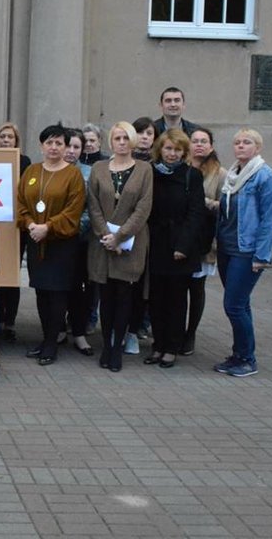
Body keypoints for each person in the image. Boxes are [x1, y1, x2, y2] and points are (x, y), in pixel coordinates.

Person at [214, 128, 272, 378]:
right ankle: (240, 353)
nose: (241, 146)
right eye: (237, 142)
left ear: (258, 147)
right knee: (241, 304)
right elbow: (230, 209)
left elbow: (269, 219)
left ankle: (247, 359)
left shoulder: (264, 176)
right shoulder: (233, 174)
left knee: (233, 305)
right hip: (227, 247)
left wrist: (261, 256)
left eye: (247, 142)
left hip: (247, 250)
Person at [16, 123, 86, 365]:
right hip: (36, 241)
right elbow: (20, 202)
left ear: (66, 147)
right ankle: (45, 337)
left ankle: (51, 344)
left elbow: (73, 210)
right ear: (41, 145)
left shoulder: (73, 174)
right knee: (41, 293)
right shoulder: (32, 171)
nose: (54, 147)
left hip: (61, 244)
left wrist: (48, 227)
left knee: (56, 294)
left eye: (59, 143)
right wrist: (30, 225)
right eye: (49, 143)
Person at [86, 122, 153, 372]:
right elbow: (92, 204)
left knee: (124, 297)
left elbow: (144, 207)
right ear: (110, 142)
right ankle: (106, 344)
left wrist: (121, 236)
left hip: (131, 243)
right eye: (117, 138)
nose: (122, 142)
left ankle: (117, 348)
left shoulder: (144, 169)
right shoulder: (99, 168)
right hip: (102, 243)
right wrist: (107, 235)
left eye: (126, 138)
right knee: (106, 297)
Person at [144, 129, 205, 369]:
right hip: (156, 243)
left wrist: (183, 245)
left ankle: (171, 347)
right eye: (168, 148)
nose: (172, 154)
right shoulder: (151, 173)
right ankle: (158, 344)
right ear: (161, 149)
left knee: (176, 299)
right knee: (156, 298)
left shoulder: (192, 175)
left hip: (180, 246)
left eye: (177, 149)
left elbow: (196, 214)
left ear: (184, 152)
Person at [185, 127, 227, 356]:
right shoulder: (181, 168)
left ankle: (190, 333)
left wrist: (203, 202)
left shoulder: (220, 174)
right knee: (177, 289)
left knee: (196, 288)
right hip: (181, 238)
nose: (199, 144)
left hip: (204, 240)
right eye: (195, 141)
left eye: (204, 141)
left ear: (211, 146)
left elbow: (225, 206)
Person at [0, 122, 31, 342]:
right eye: (2, 137)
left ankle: (10, 321)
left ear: (17, 141)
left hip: (16, 228)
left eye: (10, 137)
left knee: (11, 275)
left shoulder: (24, 162)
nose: (6, 140)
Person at [61, 127, 95, 357]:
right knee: (58, 287)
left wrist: (73, 228)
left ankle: (79, 332)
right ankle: (58, 329)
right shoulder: (48, 170)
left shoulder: (89, 173)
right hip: (54, 240)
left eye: (76, 147)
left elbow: (92, 208)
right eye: (68, 146)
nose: (71, 151)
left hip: (80, 240)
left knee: (80, 289)